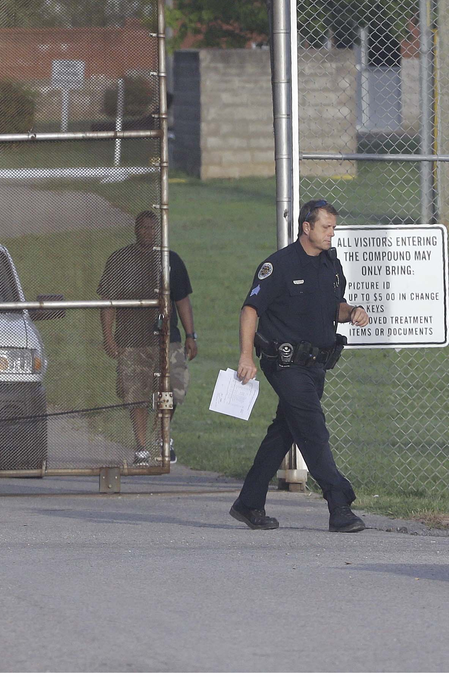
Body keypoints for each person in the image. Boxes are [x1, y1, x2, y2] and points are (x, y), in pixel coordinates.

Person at [229, 199, 371, 533]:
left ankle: (249, 503)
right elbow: (250, 309)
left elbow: (332, 307)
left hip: (316, 365)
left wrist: (351, 312)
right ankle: (339, 504)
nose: (331, 234)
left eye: (333, 228)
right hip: (285, 363)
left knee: (284, 432)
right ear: (306, 227)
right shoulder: (278, 266)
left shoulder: (330, 265)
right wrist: (246, 356)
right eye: (326, 227)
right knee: (312, 429)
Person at [99, 210, 194, 467]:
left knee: (172, 388)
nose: (148, 233)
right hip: (131, 338)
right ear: (135, 229)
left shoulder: (170, 260)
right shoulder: (119, 260)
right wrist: (109, 337)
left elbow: (182, 300)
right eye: (143, 228)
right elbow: (107, 303)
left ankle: (162, 438)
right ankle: (141, 446)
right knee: (135, 393)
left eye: (153, 229)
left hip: (167, 339)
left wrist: (190, 335)